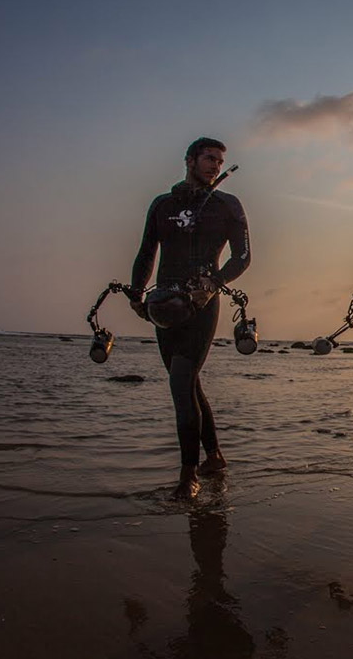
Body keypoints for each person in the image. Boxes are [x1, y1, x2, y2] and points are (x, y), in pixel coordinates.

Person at [129, 137, 251, 500]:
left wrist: (213, 283)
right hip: (164, 304)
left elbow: (242, 257)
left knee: (181, 383)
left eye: (219, 160)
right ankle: (214, 457)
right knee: (188, 382)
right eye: (209, 158)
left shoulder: (228, 205)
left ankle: (188, 475)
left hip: (201, 303)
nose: (215, 165)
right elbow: (146, 252)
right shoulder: (163, 204)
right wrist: (137, 294)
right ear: (189, 160)